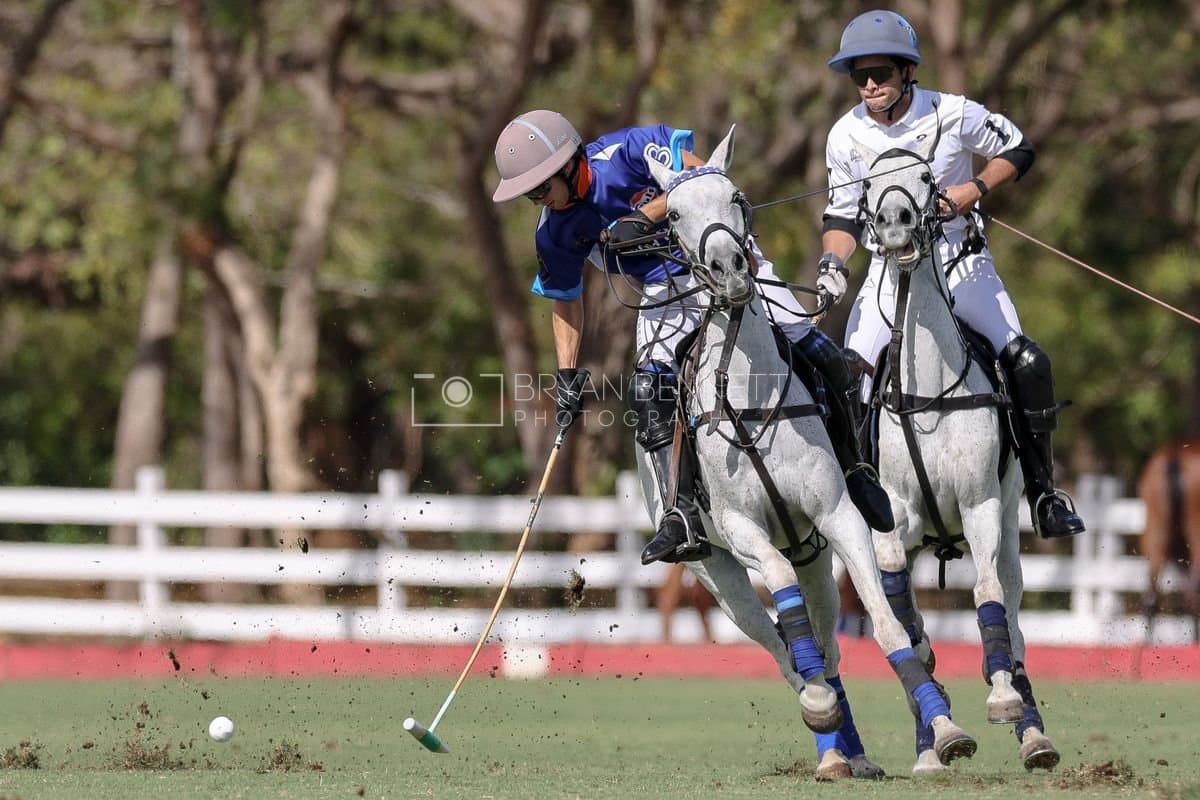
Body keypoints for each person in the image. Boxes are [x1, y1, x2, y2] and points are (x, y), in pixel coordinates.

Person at [491, 110, 895, 566]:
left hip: (724, 259)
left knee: (813, 346)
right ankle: (679, 514)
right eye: (530, 195)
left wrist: (643, 216)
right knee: (650, 390)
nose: (539, 200)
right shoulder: (554, 230)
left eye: (541, 188)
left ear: (569, 163)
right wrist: (566, 375)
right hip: (664, 289)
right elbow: (565, 300)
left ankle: (856, 465)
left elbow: (705, 176)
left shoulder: (628, 151)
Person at [816, 10, 1084, 539]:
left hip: (963, 266)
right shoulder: (844, 135)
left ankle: (1043, 492)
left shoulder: (953, 114)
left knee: (1028, 362)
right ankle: (859, 487)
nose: (870, 86)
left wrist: (973, 190)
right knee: (847, 376)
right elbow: (841, 217)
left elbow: (1019, 148)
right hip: (889, 277)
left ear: (907, 72)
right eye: (860, 76)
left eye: (881, 74)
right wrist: (832, 263)